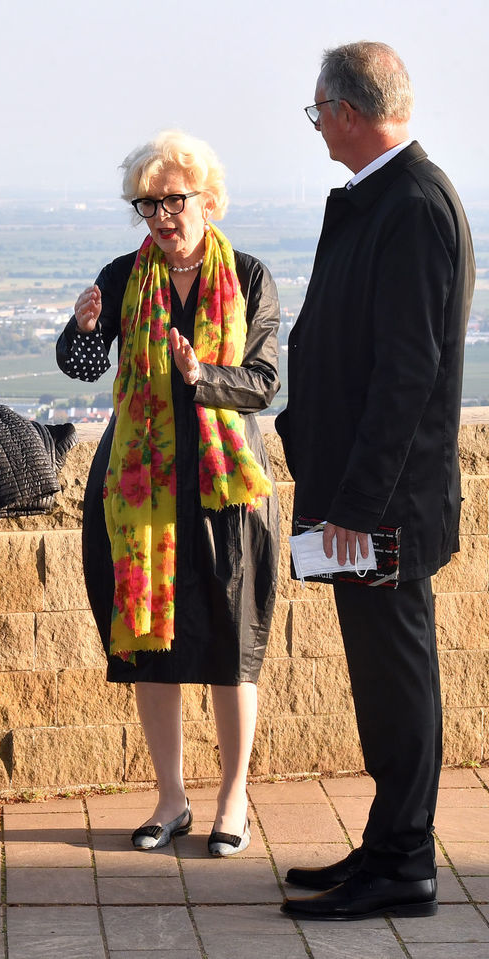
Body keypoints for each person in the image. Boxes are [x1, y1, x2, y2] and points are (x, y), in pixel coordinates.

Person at [277, 41, 473, 922]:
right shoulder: (382, 199)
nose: (317, 126)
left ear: (349, 112)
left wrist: (356, 504)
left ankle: (404, 860)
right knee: (383, 678)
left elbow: (407, 374)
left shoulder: (415, 206)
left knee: (399, 678)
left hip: (382, 506)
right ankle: (390, 838)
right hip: (360, 495)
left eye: (318, 111)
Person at [57, 131, 280, 858]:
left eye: (172, 201)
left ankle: (232, 798)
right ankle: (171, 798)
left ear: (207, 200)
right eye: (146, 204)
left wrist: (200, 376)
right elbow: (85, 367)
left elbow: (264, 381)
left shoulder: (249, 276)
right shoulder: (125, 276)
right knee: (153, 650)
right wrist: (84, 327)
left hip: (223, 493)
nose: (160, 215)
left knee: (227, 646)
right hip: (139, 493)